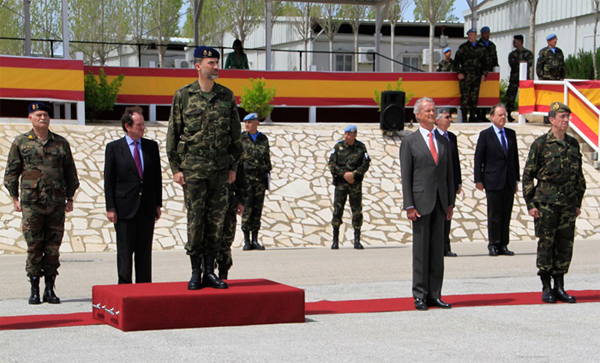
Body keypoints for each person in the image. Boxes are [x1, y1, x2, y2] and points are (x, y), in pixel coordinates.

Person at [166, 46, 243, 290]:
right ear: (198, 66)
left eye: (217, 62)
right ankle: (195, 271)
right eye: (211, 63)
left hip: (220, 171)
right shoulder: (183, 96)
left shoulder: (226, 96)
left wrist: (233, 167)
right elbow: (173, 133)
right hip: (194, 170)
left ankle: (210, 271)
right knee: (195, 220)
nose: (216, 67)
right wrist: (175, 168)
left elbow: (235, 137)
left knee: (216, 222)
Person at [3, 102, 79, 305]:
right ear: (30, 118)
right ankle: (34, 289)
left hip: (55, 204)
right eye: (38, 115)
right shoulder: (21, 142)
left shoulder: (61, 143)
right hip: (31, 205)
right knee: (34, 246)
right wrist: (14, 198)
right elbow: (11, 172)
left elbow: (70, 173)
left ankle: (49, 290)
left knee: (53, 247)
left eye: (45, 114)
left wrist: (70, 198)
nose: (43, 118)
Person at [522, 102, 586, 304]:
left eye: (568, 117)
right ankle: (546, 286)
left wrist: (577, 202)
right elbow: (527, 176)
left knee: (565, 244)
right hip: (546, 203)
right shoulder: (541, 144)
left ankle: (560, 285)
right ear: (551, 120)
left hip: (567, 203)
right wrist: (531, 204)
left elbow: (579, 177)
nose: (566, 120)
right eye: (562, 117)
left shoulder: (573, 144)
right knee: (546, 244)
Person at [400, 98, 455, 311]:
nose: (432, 114)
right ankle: (420, 295)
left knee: (437, 252)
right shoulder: (410, 142)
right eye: (428, 111)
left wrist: (450, 202)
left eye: (433, 110)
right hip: (421, 203)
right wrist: (409, 205)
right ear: (418, 115)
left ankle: (435, 294)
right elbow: (406, 176)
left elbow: (449, 173)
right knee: (421, 253)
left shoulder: (444, 141)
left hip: (440, 202)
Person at [104, 106, 163, 284]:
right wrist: (111, 207)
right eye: (139, 125)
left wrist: (157, 204)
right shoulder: (114, 148)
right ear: (127, 126)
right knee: (125, 250)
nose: (142, 128)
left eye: (143, 124)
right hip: (124, 207)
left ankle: (144, 287)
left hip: (146, 206)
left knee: (144, 251)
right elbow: (109, 180)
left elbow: (156, 178)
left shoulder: (151, 147)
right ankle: (124, 286)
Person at [474, 104, 520, 257]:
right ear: (492, 117)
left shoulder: (511, 134)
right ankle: (493, 244)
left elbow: (514, 159)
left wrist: (516, 180)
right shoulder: (485, 135)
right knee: (494, 214)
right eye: (500, 115)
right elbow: (478, 158)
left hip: (508, 180)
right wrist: (478, 180)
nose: (502, 118)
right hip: (492, 180)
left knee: (506, 213)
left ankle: (503, 244)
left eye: (504, 115)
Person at [329, 125, 371, 250]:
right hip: (341, 183)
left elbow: (366, 163)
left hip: (355, 184)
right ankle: (335, 240)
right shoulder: (338, 147)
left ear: (355, 135)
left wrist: (354, 174)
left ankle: (357, 240)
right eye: (346, 134)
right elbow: (331, 163)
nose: (347, 136)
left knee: (357, 211)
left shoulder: (361, 147)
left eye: (349, 134)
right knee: (338, 210)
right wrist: (344, 174)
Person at [240, 113, 271, 250]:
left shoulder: (263, 139)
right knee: (247, 210)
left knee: (257, 210)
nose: (247, 125)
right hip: (246, 180)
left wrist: (267, 171)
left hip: (259, 180)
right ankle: (246, 240)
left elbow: (267, 158)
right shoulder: (241, 138)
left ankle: (255, 239)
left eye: (250, 122)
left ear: (256, 123)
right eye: (246, 122)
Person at [435, 110, 462, 257]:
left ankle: (446, 246)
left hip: (450, 182)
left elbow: (455, 161)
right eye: (446, 117)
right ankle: (438, 247)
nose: (449, 120)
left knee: (448, 213)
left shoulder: (451, 137)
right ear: (437, 120)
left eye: (450, 117)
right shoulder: (434, 136)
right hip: (439, 182)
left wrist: (458, 181)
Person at [218, 163, 247, 279]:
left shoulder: (233, 150)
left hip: (227, 200)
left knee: (226, 238)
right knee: (205, 239)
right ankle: (205, 272)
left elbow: (240, 177)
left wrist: (240, 200)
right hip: (206, 199)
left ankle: (223, 273)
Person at [454, 28, 489, 122]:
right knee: (465, 97)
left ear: (476, 35)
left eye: (472, 35)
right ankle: (464, 117)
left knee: (474, 96)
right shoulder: (463, 47)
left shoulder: (481, 47)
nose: (470, 37)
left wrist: (484, 74)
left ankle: (473, 116)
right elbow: (456, 61)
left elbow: (486, 62)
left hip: (476, 75)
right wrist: (459, 72)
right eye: (469, 35)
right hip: (465, 76)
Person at [506, 35, 534, 122]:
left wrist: (522, 63)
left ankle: (523, 116)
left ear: (521, 42)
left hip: (524, 79)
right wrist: (521, 63)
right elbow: (512, 64)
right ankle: (509, 114)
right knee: (511, 97)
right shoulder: (512, 54)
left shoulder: (528, 53)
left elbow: (529, 63)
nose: (514, 43)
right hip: (514, 78)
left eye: (516, 41)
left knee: (523, 98)